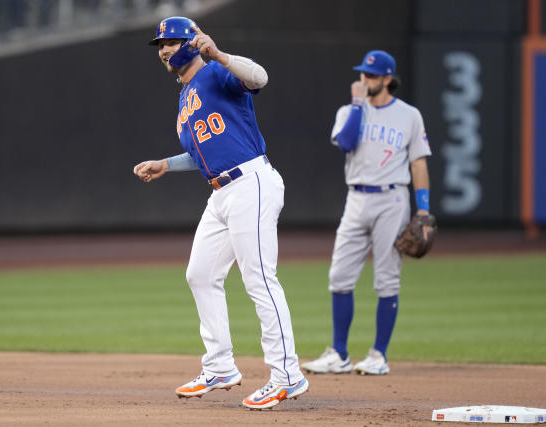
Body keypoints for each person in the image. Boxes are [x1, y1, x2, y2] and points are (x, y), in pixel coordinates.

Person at [133, 16, 308, 409]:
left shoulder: (215, 73)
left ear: (194, 42)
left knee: (260, 279)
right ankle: (220, 366)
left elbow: (259, 77)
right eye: (161, 44)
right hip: (221, 192)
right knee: (200, 274)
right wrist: (166, 164)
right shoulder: (185, 97)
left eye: (173, 41)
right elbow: (201, 154)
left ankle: (287, 375)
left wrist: (220, 54)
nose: (164, 49)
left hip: (251, 182)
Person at [301, 50, 433, 375]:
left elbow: (418, 163)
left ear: (387, 79)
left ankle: (378, 355)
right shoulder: (349, 110)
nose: (364, 80)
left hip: (393, 200)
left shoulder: (409, 115)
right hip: (356, 198)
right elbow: (346, 143)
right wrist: (358, 105)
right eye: (363, 74)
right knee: (339, 277)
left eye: (371, 76)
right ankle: (339, 354)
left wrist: (425, 210)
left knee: (386, 278)